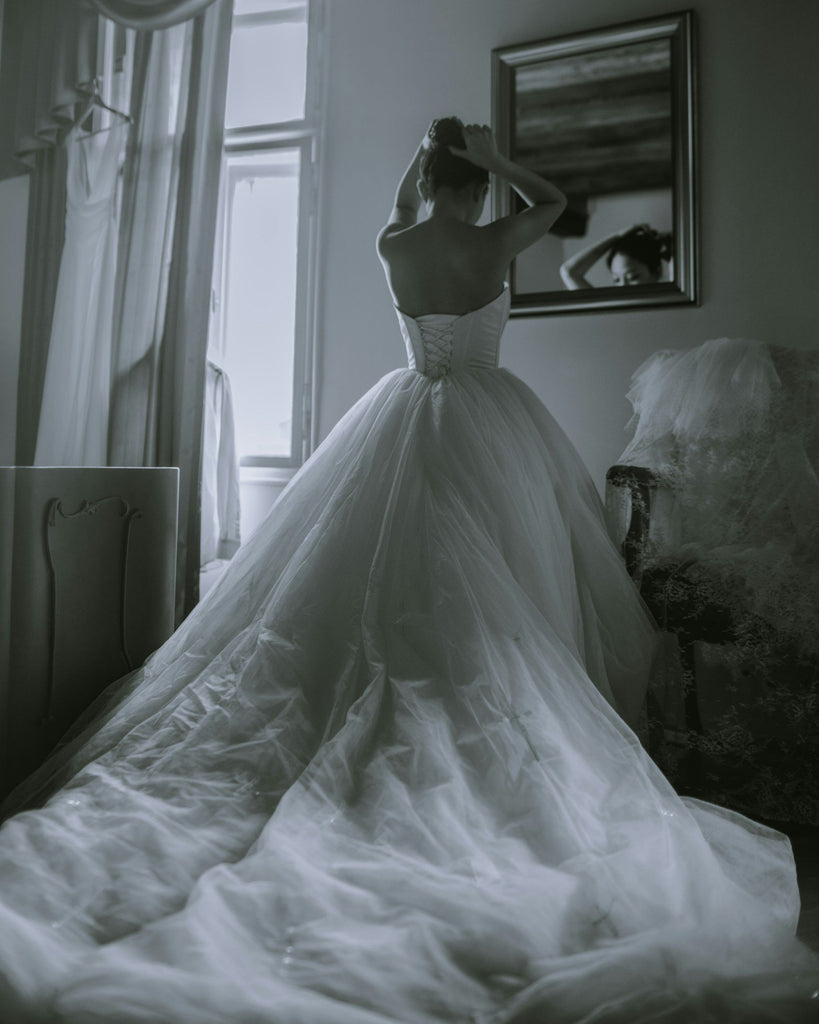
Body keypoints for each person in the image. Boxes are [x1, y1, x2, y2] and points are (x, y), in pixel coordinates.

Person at [0, 118, 816, 1024]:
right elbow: (555, 204)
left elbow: (398, 205)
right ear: (477, 188)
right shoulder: (490, 236)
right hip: (486, 422)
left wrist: (427, 155)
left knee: (367, 596)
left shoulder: (397, 241)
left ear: (429, 183)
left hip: (403, 413)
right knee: (494, 603)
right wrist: (494, 153)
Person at [560, 223, 672, 289]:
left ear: (656, 273)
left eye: (632, 278)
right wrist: (617, 236)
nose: (622, 287)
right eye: (616, 280)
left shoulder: (673, 301)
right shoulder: (610, 308)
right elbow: (570, 272)